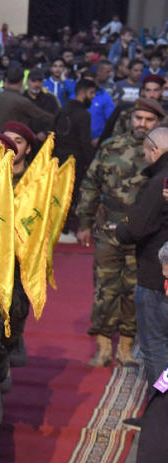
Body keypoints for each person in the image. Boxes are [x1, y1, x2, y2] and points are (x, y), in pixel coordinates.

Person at [76, 98, 164, 367]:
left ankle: (126, 346)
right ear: (130, 118)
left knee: (133, 290)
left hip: (144, 234)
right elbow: (90, 184)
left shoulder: (162, 154)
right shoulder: (110, 147)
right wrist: (84, 221)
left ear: (158, 124)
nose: (142, 124)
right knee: (105, 288)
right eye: (139, 118)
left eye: (149, 120)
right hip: (109, 228)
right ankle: (103, 345)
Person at [116, 127, 168, 386]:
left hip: (156, 276)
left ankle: (160, 410)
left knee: (155, 347)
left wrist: (123, 228)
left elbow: (137, 228)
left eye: (146, 152)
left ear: (155, 150)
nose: (145, 157)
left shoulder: (160, 181)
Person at [0, 64, 55, 136]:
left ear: (6, 81)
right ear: (22, 81)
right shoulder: (23, 101)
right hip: (14, 143)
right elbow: (45, 117)